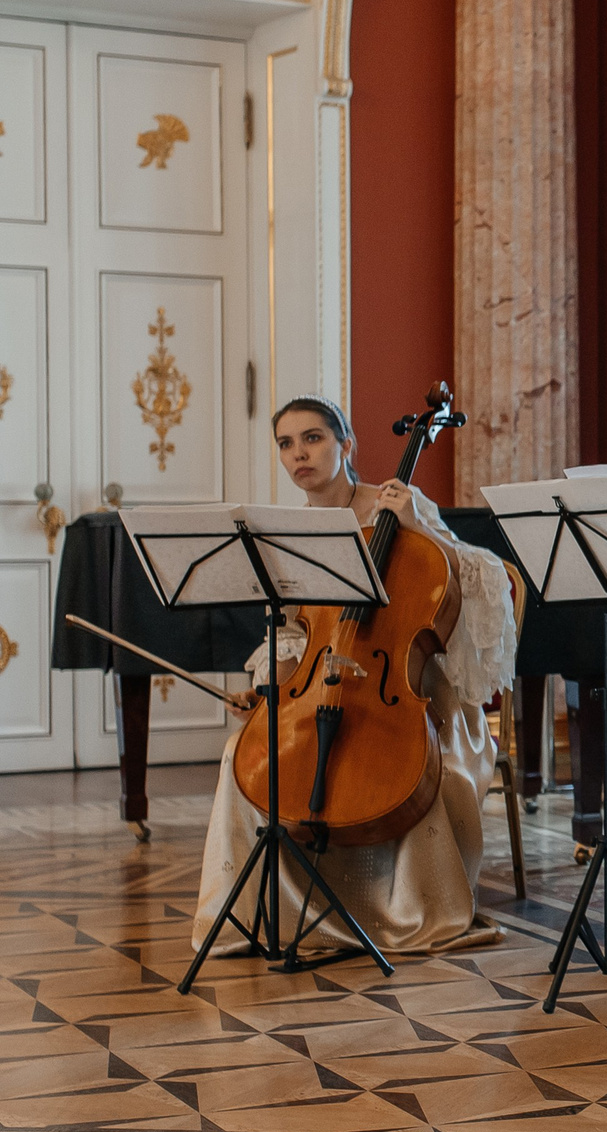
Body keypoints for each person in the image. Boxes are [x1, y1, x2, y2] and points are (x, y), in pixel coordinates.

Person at [193, 396, 519, 960]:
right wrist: (272, 688)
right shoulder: (289, 530)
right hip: (326, 681)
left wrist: (422, 530)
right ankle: (271, 910)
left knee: (408, 760)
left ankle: (402, 912)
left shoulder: (397, 504)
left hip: (410, 688)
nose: (300, 454)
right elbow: (298, 632)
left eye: (313, 438)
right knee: (239, 752)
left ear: (347, 446)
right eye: (286, 444)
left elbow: (477, 576)